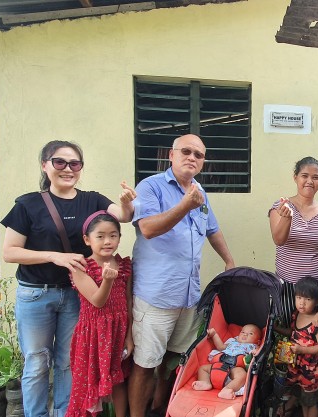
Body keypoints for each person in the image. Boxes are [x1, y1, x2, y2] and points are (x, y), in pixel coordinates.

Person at [1, 140, 136, 417]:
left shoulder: (92, 199)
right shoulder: (28, 204)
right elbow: (10, 253)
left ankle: (65, 413)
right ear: (45, 165)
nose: (67, 169)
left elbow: (120, 216)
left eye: (74, 164)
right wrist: (55, 256)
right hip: (37, 293)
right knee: (37, 363)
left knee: (67, 362)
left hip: (76, 295)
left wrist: (127, 205)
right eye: (59, 162)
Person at [128, 134, 236, 417]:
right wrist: (184, 206)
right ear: (171, 155)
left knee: (172, 360)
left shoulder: (199, 191)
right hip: (156, 296)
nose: (192, 157)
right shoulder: (151, 187)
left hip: (188, 295)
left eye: (198, 155)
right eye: (186, 151)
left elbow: (212, 229)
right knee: (145, 363)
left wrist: (229, 261)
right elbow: (148, 228)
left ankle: (162, 408)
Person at [66, 211, 133, 417]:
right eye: (100, 236)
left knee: (119, 378)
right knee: (89, 383)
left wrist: (129, 336)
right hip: (93, 335)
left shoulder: (124, 265)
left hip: (118, 332)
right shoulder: (81, 268)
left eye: (113, 235)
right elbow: (97, 301)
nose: (107, 241)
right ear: (87, 239)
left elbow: (129, 302)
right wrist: (108, 280)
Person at [269, 156, 318, 321]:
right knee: (287, 331)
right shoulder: (280, 208)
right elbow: (278, 240)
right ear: (295, 177)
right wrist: (287, 218)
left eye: (315, 177)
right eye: (304, 176)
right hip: (288, 286)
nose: (310, 181)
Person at [276, 276, 318, 417]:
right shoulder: (296, 314)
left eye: (308, 299)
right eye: (299, 298)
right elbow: (293, 333)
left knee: (311, 400)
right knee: (304, 399)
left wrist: (301, 350)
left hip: (310, 370)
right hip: (296, 365)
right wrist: (276, 329)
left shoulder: (316, 323)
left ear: (317, 302)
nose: (302, 303)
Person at [192, 324, 261, 400]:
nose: (245, 334)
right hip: (220, 363)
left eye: (250, 333)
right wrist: (214, 334)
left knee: (242, 375)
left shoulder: (253, 346)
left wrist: (256, 352)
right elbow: (221, 347)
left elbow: (259, 353)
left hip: (235, 367)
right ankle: (205, 382)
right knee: (202, 368)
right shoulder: (232, 342)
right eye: (243, 332)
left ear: (257, 342)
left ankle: (227, 389)